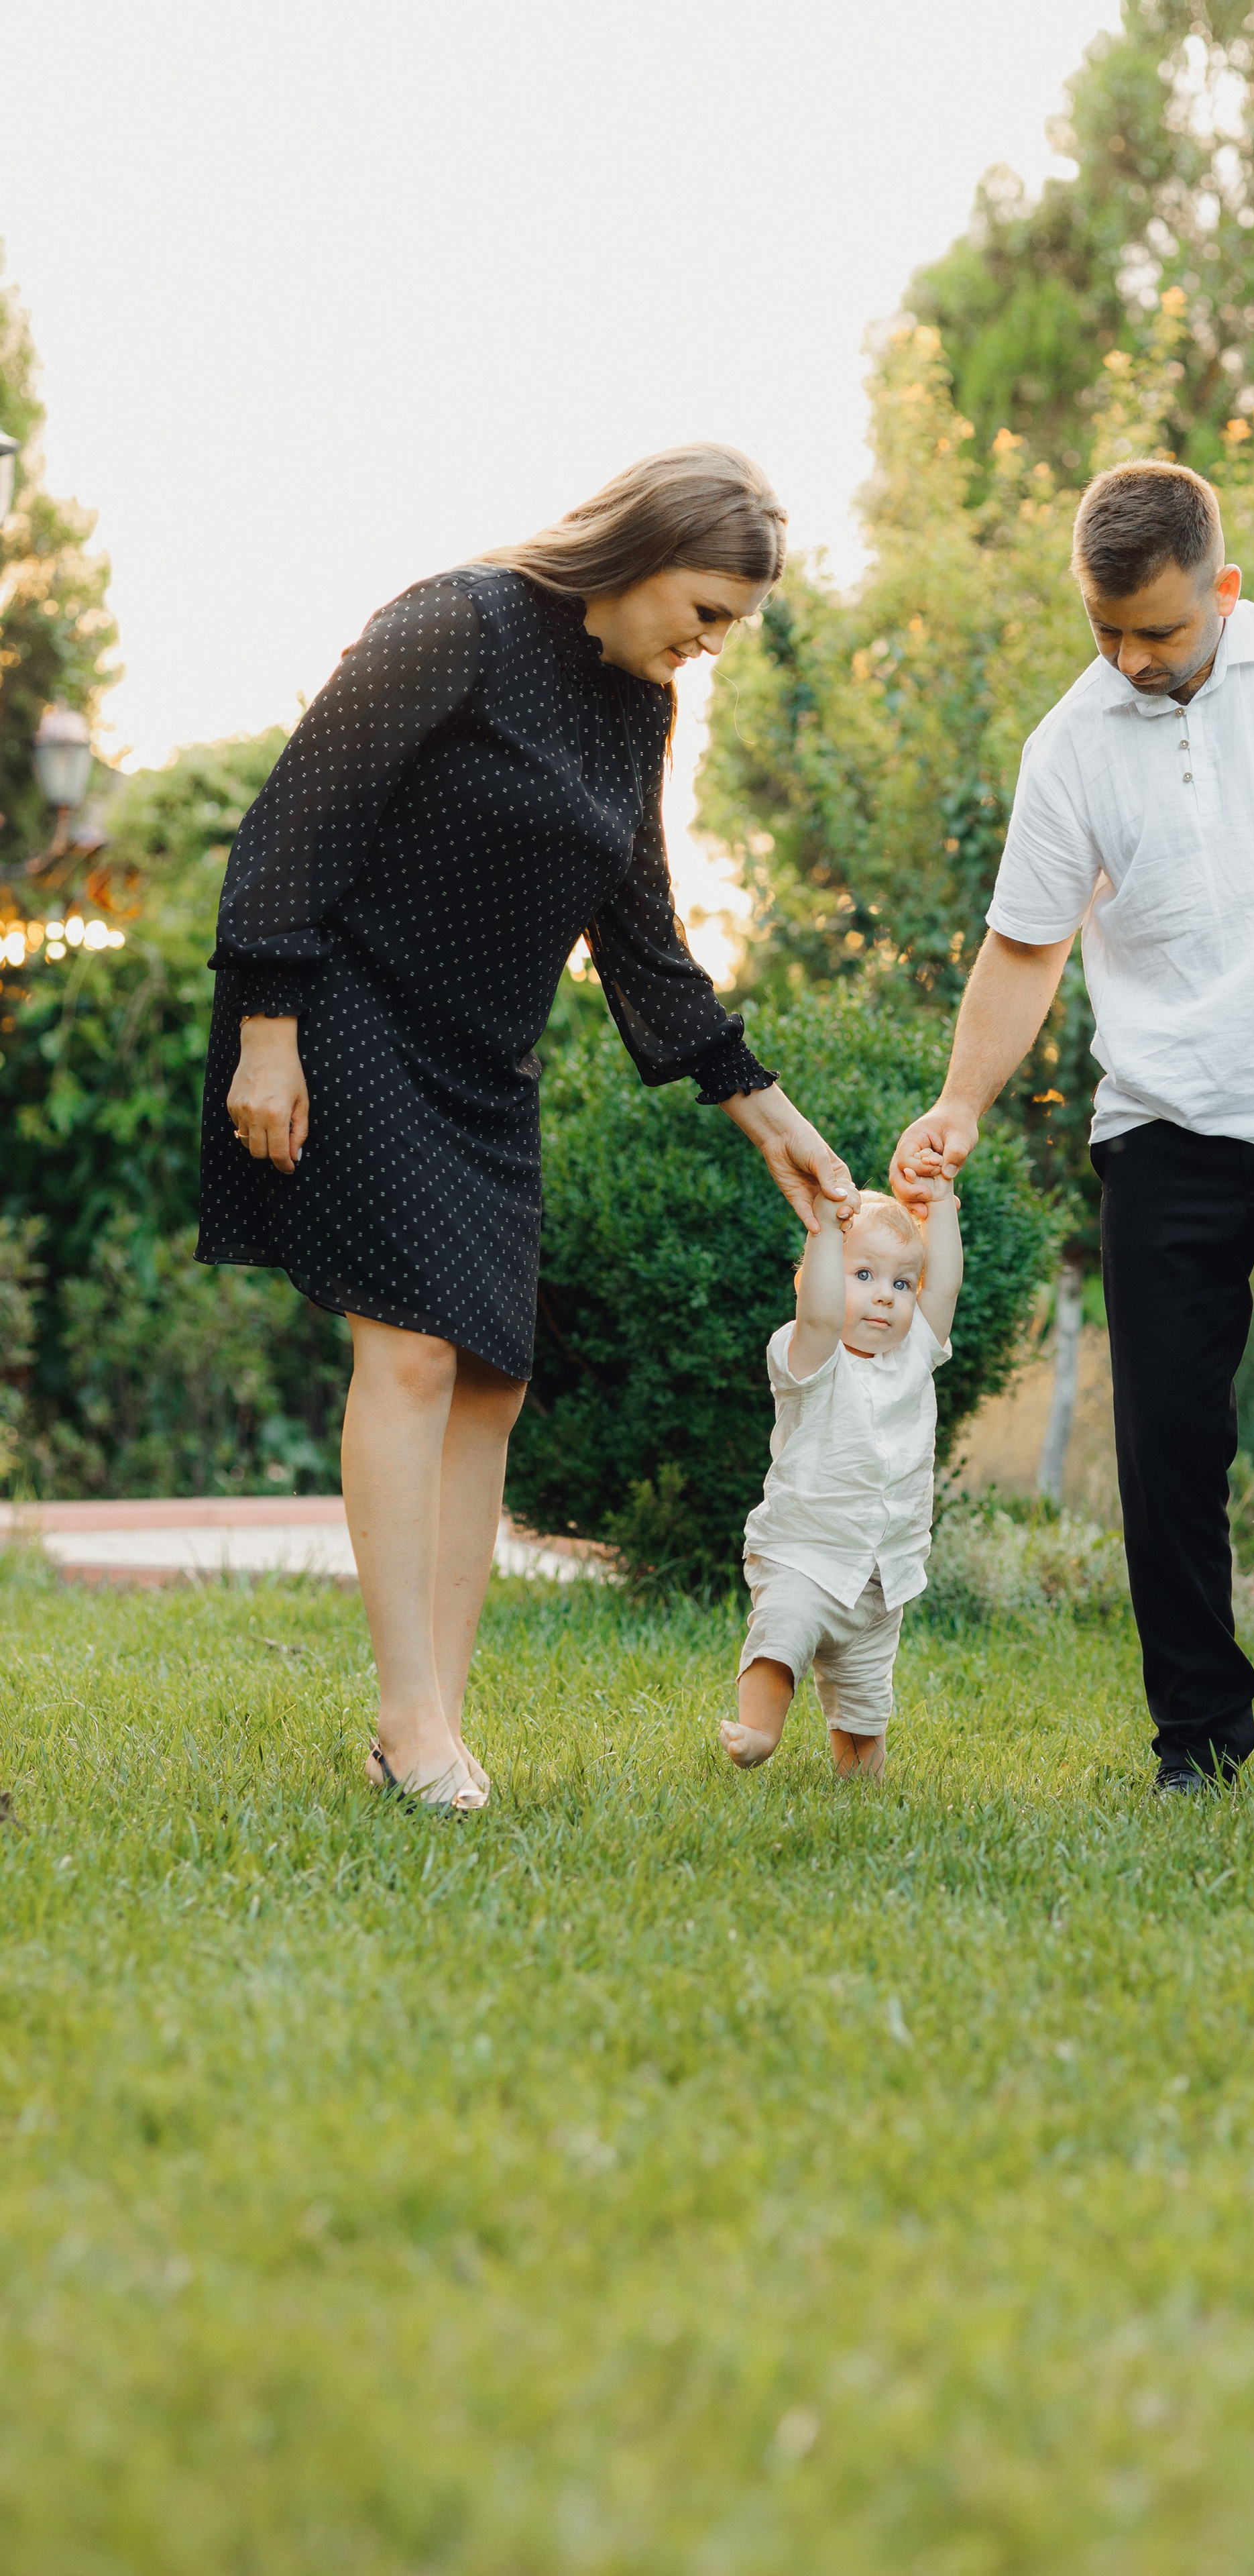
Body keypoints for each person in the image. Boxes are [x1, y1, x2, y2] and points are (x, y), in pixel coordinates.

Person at [199, 445, 856, 1812]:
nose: (711, 642)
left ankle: (424, 1724)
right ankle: (409, 1715)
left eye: (731, 623)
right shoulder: (458, 621)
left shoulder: (637, 706)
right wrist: (268, 1024)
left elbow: (639, 931)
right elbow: (298, 816)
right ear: (632, 551)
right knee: (416, 1349)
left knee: (491, 1374)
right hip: (349, 1013)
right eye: (705, 607)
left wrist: (766, 1113)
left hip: (484, 1061)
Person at [891, 460, 1254, 1802]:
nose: (1128, 659)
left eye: (1156, 631)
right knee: (1165, 1454)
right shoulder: (1071, 742)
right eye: (1103, 632)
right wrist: (958, 1102)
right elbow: (1023, 949)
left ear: (1222, 586)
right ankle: (1196, 1743)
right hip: (1161, 1134)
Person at [720, 1171, 963, 1782]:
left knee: (864, 1701)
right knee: (783, 1638)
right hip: (806, 1555)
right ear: (816, 1285)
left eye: (901, 1283)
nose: (885, 1295)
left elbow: (947, 1288)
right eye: (863, 1276)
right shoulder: (810, 1355)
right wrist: (827, 1229)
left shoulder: (917, 1353)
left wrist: (942, 1205)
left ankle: (859, 1782)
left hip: (882, 1575)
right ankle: (757, 1731)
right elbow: (823, 1315)